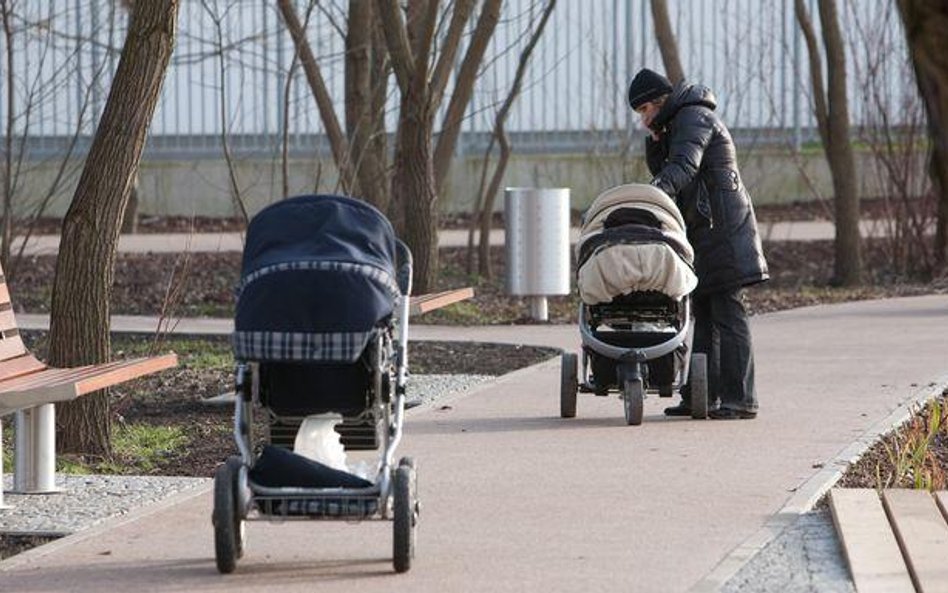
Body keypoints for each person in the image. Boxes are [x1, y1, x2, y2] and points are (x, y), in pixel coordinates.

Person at [627, 68, 769, 420]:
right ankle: (700, 396)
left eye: (645, 110)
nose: (643, 120)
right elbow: (671, 168)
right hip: (703, 229)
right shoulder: (674, 126)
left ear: (660, 102)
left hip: (723, 228)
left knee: (729, 312)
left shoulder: (695, 117)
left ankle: (741, 400)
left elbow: (683, 167)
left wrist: (649, 197)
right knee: (704, 313)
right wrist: (656, 141)